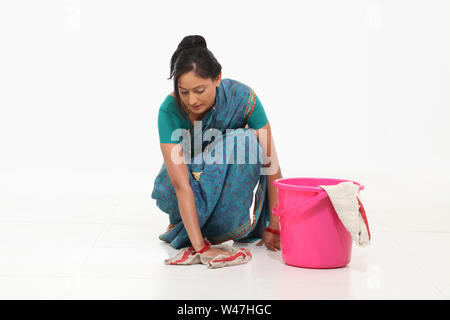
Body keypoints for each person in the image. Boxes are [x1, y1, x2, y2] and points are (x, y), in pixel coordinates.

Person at [151, 35, 282, 259]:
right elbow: (180, 185)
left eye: (199, 90)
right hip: (183, 187)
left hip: (226, 185)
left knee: (246, 141)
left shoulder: (242, 98)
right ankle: (189, 227)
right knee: (176, 179)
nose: (192, 100)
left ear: (218, 78)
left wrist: (274, 227)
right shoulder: (169, 111)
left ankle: (219, 228)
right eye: (184, 92)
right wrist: (200, 247)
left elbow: (272, 167)